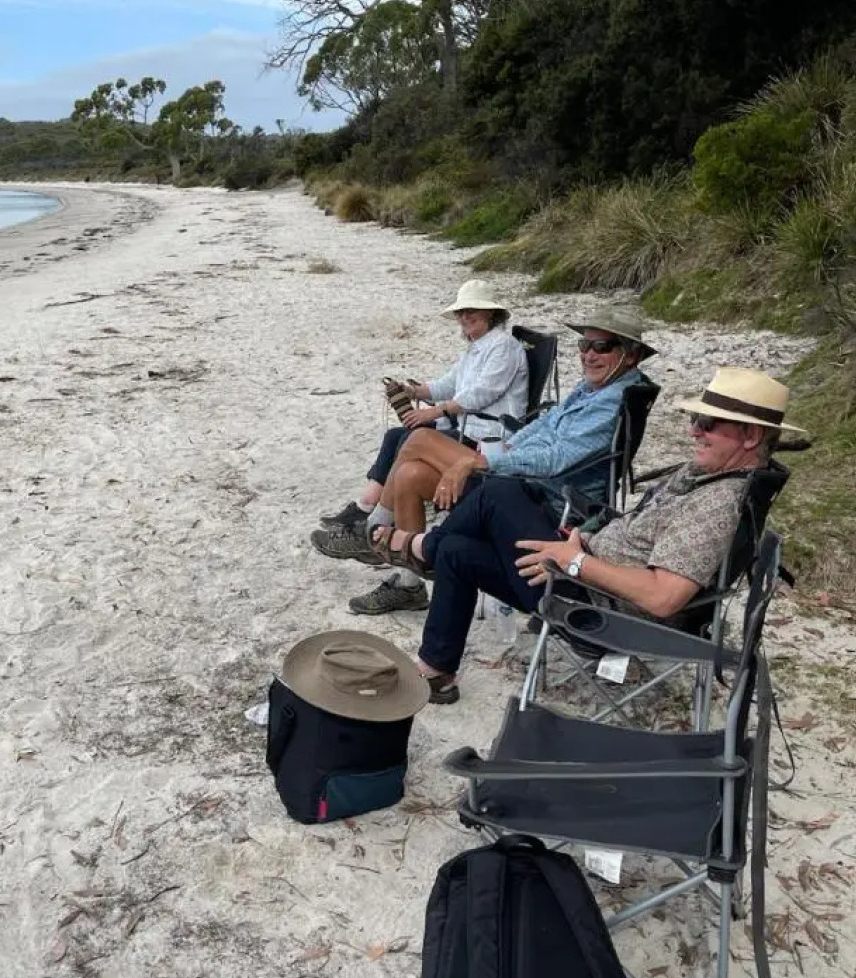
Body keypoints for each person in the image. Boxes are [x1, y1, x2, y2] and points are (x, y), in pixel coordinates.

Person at [371, 367, 802, 704]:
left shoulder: (717, 505)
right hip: (583, 568)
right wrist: (584, 537)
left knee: (498, 494)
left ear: (751, 436)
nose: (694, 430)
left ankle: (420, 547)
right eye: (696, 418)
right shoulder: (710, 475)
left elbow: (663, 598)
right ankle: (436, 670)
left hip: (594, 606)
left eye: (709, 423)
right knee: (462, 550)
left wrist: (575, 560)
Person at [329, 304, 655, 616]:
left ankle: (372, 531)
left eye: (602, 346)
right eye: (585, 344)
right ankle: (408, 585)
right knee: (410, 474)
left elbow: (557, 460)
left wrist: (485, 462)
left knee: (418, 438)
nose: (589, 354)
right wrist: (505, 450)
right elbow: (544, 422)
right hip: (517, 470)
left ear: (632, 354)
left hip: (541, 496)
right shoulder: (593, 387)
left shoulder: (612, 400)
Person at [311, 278, 528, 558]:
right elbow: (451, 383)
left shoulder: (504, 347)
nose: (465, 316)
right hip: (466, 426)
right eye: (461, 311)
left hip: (485, 436)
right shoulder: (478, 347)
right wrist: (414, 390)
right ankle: (368, 510)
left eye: (473, 309)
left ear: (490, 312)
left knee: (414, 437)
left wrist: (436, 411)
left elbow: (482, 393)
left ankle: (373, 526)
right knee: (397, 438)